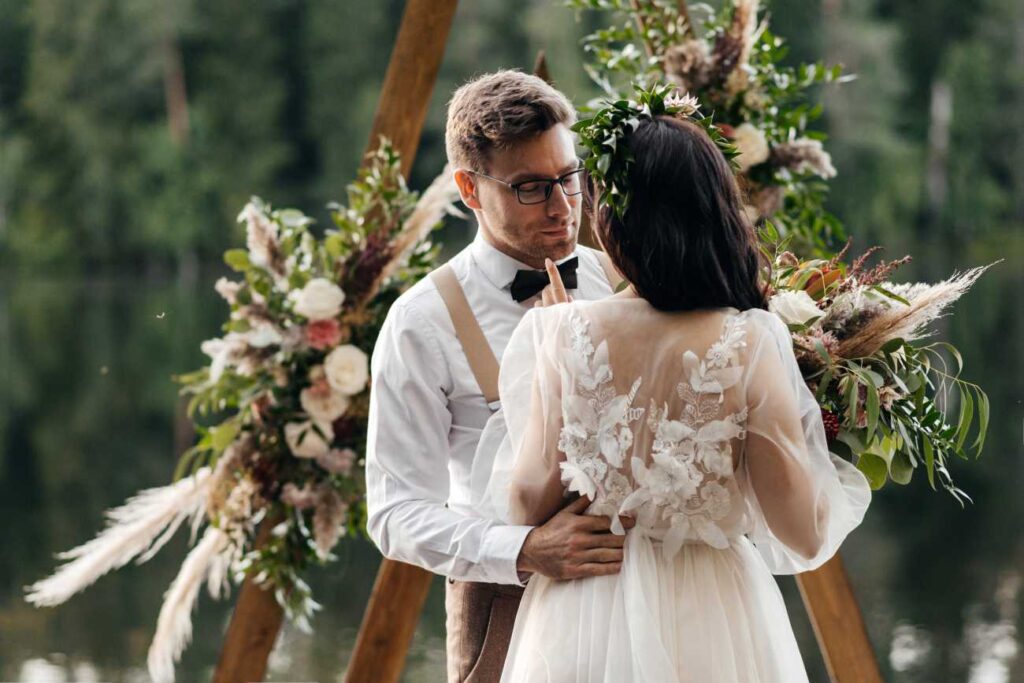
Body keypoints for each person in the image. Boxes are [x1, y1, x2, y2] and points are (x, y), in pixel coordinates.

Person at [473, 90, 872, 682]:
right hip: (712, 614)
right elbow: (803, 533)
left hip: (582, 609)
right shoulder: (749, 341)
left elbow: (526, 505)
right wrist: (822, 426)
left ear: (614, 221)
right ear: (715, 213)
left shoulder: (558, 331)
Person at [364, 70, 632, 683]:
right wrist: (523, 551)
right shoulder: (420, 323)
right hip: (503, 615)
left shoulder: (622, 280)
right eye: (532, 188)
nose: (564, 208)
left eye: (569, 178)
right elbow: (394, 513)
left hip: (634, 599)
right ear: (469, 189)